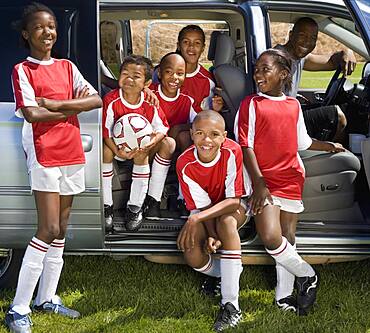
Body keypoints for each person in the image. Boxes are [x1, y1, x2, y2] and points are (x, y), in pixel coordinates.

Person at [6, 3, 103, 333]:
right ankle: (18, 308)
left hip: (72, 151)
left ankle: (47, 297)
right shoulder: (23, 70)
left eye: (51, 27)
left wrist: (58, 106)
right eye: (39, 27)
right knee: (46, 228)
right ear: (26, 34)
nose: (47, 32)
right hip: (44, 153)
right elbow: (32, 115)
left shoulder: (67, 66)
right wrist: (69, 110)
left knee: (61, 228)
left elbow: (96, 99)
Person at [234, 48, 345, 315]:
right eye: (257, 69)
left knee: (287, 237)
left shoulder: (293, 105)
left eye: (265, 69)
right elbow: (245, 145)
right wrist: (259, 183)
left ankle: (283, 297)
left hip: (292, 177)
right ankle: (308, 276)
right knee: (271, 236)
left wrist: (328, 146)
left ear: (284, 74)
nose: (258, 74)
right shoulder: (251, 104)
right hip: (265, 180)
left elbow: (302, 142)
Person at [176, 110, 247, 332]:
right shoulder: (185, 163)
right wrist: (210, 234)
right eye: (200, 133)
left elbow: (233, 201)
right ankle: (222, 274)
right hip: (204, 209)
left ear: (224, 136)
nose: (207, 140)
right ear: (191, 134)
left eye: (214, 134)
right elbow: (203, 205)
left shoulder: (231, 151)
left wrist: (197, 219)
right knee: (190, 251)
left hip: (234, 205)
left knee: (226, 222)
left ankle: (231, 305)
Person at [102, 55, 175, 231]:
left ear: (147, 84)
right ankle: (106, 206)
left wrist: (150, 143)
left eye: (136, 76)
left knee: (148, 151)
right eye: (125, 73)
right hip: (117, 148)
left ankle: (135, 207)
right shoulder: (111, 100)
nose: (129, 79)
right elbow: (105, 131)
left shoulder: (149, 102)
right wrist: (118, 151)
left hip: (141, 150)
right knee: (106, 150)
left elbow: (163, 128)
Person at [275, 17, 356, 142]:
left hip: (291, 113)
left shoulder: (300, 58)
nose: (307, 42)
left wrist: (347, 51)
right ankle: (334, 155)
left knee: (322, 108)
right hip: (283, 122)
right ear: (291, 35)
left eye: (313, 38)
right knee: (338, 115)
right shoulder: (277, 59)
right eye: (302, 35)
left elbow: (330, 62)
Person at [151, 52, 197, 152]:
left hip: (175, 144)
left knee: (185, 136)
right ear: (159, 73)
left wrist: (179, 127)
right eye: (169, 72)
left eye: (180, 74)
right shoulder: (150, 93)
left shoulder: (187, 99)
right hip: (154, 144)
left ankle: (182, 165)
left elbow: (198, 122)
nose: (175, 77)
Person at [176, 24, 223, 114]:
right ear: (178, 45)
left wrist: (215, 109)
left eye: (197, 43)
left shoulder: (208, 81)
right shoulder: (164, 73)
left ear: (203, 48)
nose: (191, 47)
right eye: (186, 42)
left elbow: (205, 115)